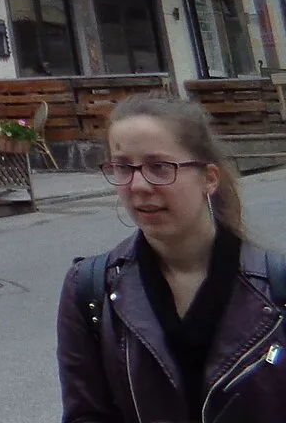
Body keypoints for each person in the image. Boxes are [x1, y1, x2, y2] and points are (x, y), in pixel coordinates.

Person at [58, 96, 286, 420]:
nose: (138, 185)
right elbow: (86, 413)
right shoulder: (90, 289)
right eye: (123, 167)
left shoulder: (276, 286)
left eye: (159, 167)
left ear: (209, 177)